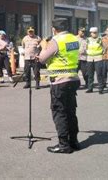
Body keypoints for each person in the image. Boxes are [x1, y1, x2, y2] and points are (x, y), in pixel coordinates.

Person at [37, 18, 80, 154]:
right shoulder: (73, 38)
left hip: (59, 81)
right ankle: (74, 141)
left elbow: (42, 58)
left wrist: (44, 46)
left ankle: (63, 145)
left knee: (59, 112)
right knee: (70, 112)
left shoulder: (56, 41)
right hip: (73, 79)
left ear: (54, 29)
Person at [86, 27, 104, 94]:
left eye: (95, 32)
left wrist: (102, 53)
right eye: (92, 33)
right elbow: (85, 47)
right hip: (90, 58)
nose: (93, 34)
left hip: (98, 58)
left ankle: (100, 88)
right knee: (90, 74)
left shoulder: (100, 39)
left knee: (99, 74)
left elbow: (104, 48)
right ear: (90, 33)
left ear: (97, 33)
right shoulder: (88, 40)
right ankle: (90, 88)